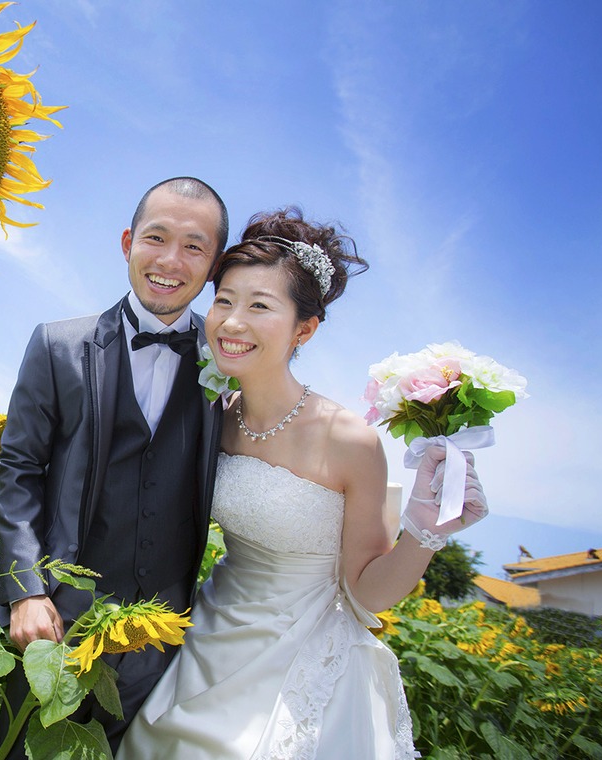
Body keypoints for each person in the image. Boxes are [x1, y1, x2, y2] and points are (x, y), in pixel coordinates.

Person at [118, 208, 488, 759]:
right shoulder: (213, 414)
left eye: (260, 306)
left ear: (304, 329)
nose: (232, 322)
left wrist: (425, 533)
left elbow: (366, 592)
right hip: (205, 639)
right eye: (224, 300)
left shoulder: (350, 441)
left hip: (301, 657)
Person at [0, 177, 230, 755]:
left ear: (213, 262)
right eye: (156, 237)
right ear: (127, 242)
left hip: (157, 640)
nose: (170, 260)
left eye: (194, 246)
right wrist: (24, 591)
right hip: (49, 618)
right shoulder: (57, 344)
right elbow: (18, 469)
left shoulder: (227, 368)